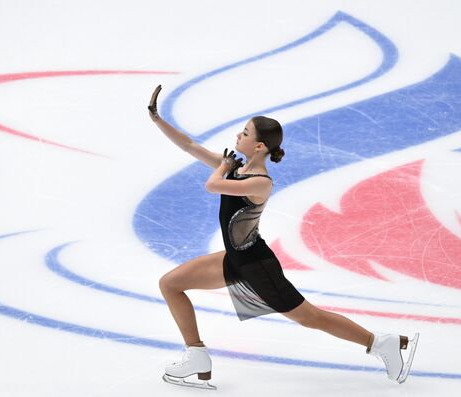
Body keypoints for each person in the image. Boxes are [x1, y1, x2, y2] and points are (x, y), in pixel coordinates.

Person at [147, 85, 418, 389]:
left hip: (256, 264)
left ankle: (381, 343)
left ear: (259, 146)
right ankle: (196, 353)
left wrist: (223, 166)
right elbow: (190, 147)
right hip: (237, 258)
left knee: (310, 318)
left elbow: (212, 186)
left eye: (245, 133)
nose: (239, 136)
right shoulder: (238, 169)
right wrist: (158, 119)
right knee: (170, 284)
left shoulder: (259, 182)